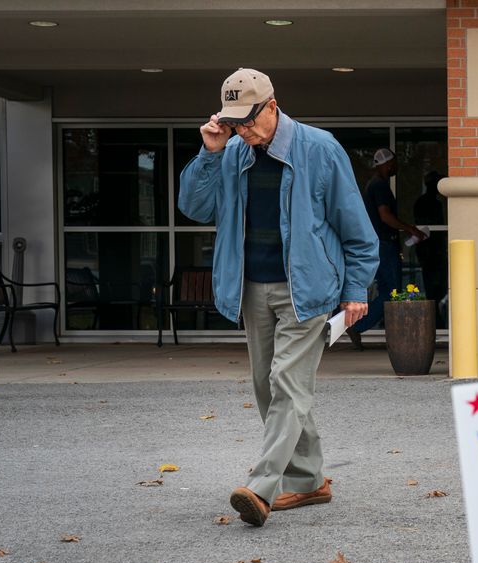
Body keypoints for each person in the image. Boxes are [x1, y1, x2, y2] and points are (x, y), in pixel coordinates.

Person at [177, 68, 378, 526]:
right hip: (251, 288)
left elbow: (355, 228)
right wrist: (209, 152)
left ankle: (262, 487)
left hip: (306, 289)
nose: (242, 131)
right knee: (269, 388)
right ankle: (308, 481)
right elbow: (193, 207)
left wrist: (354, 289)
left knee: (288, 383)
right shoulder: (228, 153)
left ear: (272, 106)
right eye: (234, 123)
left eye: (248, 120)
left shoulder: (320, 148)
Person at [346, 148, 428, 348]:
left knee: (388, 290)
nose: (396, 167)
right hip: (383, 245)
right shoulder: (380, 186)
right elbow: (385, 216)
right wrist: (410, 229)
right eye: (394, 163)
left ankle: (362, 325)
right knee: (392, 292)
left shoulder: (373, 185)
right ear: (388, 163)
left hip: (379, 244)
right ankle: (359, 325)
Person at [412, 170, 447, 326]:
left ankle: (437, 320)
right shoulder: (424, 203)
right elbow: (427, 227)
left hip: (436, 252)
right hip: (430, 253)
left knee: (439, 288)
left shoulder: (435, 203)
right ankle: (434, 322)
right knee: (433, 288)